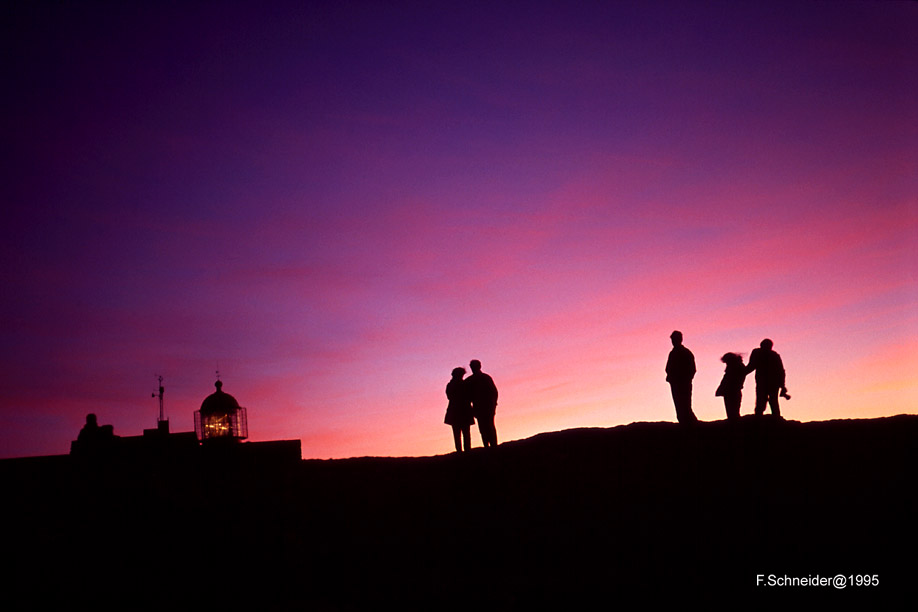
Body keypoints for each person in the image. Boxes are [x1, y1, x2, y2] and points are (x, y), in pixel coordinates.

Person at [745, 338, 787, 417]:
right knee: (772, 401)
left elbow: (751, 365)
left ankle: (760, 419)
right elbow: (781, 371)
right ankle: (775, 418)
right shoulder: (774, 355)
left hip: (764, 381)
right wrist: (782, 385)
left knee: (763, 401)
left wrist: (742, 373)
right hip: (772, 382)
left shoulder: (758, 352)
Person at [666, 331, 697, 424]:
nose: (673, 341)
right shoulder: (673, 353)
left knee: (685, 406)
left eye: (674, 339)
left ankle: (691, 425)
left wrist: (685, 379)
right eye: (672, 339)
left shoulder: (685, 353)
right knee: (679, 406)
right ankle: (685, 424)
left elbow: (692, 369)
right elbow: (668, 368)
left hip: (683, 383)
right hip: (675, 383)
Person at [466, 359, 498, 447]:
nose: (473, 368)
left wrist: (493, 404)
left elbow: (494, 392)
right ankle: (489, 446)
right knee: (485, 427)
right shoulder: (472, 380)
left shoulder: (482, 378)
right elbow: (494, 392)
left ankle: (492, 445)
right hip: (480, 407)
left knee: (487, 426)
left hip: (486, 407)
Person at [444, 367, 474, 452]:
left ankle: (460, 451)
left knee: (458, 433)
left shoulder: (451, 385)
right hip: (464, 411)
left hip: (456, 411)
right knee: (465, 433)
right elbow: (469, 396)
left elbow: (449, 396)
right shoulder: (464, 384)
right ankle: (466, 450)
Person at [715, 353, 746, 420]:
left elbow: (729, 380)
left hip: (732, 391)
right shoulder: (737, 366)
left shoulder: (735, 368)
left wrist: (722, 389)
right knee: (732, 412)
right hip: (731, 391)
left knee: (732, 412)